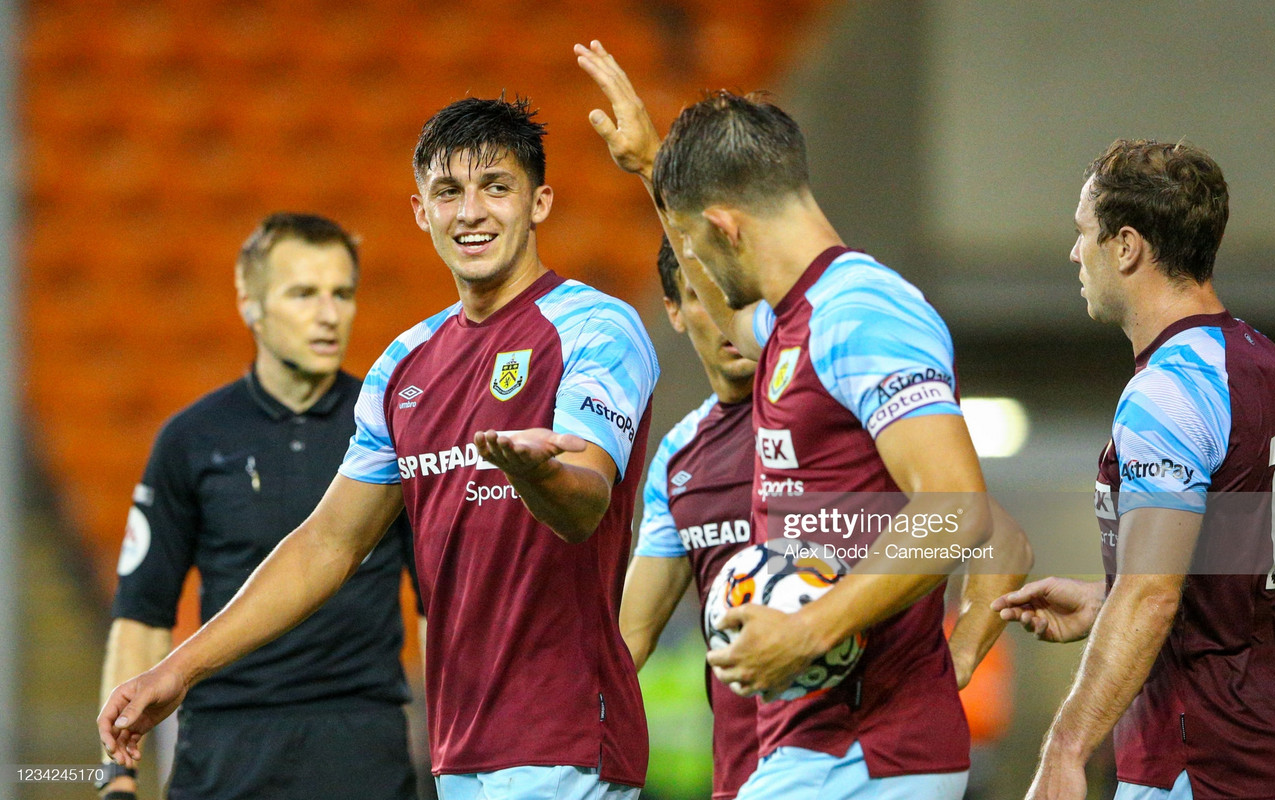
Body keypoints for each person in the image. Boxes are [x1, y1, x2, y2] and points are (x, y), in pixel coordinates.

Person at [99, 98, 660, 800]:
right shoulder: (405, 364)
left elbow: (585, 504)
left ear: (539, 201)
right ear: (421, 212)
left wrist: (535, 475)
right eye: (448, 193)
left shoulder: (595, 327)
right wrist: (176, 672)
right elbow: (326, 546)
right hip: (460, 753)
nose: (471, 212)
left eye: (496, 186)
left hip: (569, 739)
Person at [576, 41, 1032, 800]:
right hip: (816, 745)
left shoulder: (864, 313)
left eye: (695, 241)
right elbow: (718, 307)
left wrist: (811, 629)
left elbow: (956, 508)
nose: (693, 266)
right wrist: (655, 170)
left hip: (868, 749)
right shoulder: (796, 322)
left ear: (725, 227)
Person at [96, 212, 421, 800]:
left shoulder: (396, 431)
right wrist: (117, 775)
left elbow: (440, 608)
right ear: (249, 302)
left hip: (359, 745)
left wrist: (457, 753)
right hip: (226, 743)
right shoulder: (191, 440)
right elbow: (143, 614)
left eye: (342, 294)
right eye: (303, 294)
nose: (329, 314)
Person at [993, 140, 1275, 800]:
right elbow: (1242, 575)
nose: (1074, 254)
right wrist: (1104, 599)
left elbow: (1152, 594)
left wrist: (1066, 750)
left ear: (1126, 247)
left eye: (1082, 233)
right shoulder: (1262, 364)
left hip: (1196, 763)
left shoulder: (1170, 389)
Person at [620, 236, 758, 800]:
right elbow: (629, 637)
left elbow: (971, 527)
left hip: (858, 765)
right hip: (740, 773)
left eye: (741, 296)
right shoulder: (680, 458)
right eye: (705, 296)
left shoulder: (832, 417)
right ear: (673, 312)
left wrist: (961, 652)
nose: (730, 317)